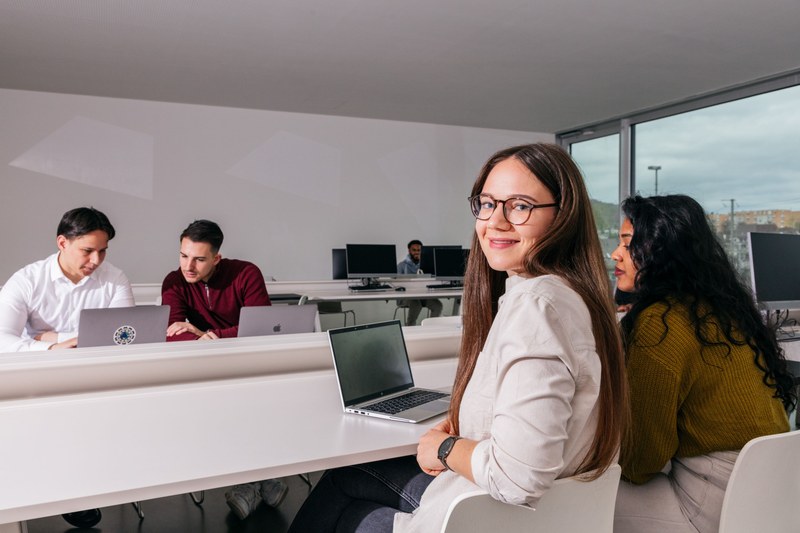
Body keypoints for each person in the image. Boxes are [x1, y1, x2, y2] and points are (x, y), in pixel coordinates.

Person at [288, 142, 628, 532]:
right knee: (348, 476)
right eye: (487, 203)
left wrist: (447, 449)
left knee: (347, 508)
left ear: (562, 216)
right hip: (542, 513)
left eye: (519, 206)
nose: (495, 221)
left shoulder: (537, 306)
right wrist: (462, 428)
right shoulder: (573, 296)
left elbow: (517, 477)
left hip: (497, 515)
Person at [611, 194, 795, 533]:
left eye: (627, 243)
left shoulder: (660, 321)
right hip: (773, 496)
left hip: (713, 501)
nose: (615, 254)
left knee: (578, 495)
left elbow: (641, 462)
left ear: (660, 251)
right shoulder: (724, 309)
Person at [0, 207, 134, 528]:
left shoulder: (114, 279)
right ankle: (66, 491)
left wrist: (52, 336)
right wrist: (51, 347)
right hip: (39, 383)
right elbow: (1, 340)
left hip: (96, 383)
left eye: (103, 251)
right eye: (88, 251)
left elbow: (127, 339)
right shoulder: (26, 280)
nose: (96, 261)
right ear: (62, 242)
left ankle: (75, 489)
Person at [160, 219, 286, 520]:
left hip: (249, 362)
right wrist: (207, 335)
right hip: (202, 367)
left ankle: (248, 482)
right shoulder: (174, 282)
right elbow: (173, 331)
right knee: (225, 404)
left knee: (251, 399)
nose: (188, 266)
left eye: (199, 259)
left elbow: (259, 326)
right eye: (183, 255)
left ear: (216, 258)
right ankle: (261, 479)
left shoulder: (245, 273)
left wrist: (205, 333)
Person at [396, 240, 443, 326]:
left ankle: (431, 327)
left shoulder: (427, 265)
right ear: (409, 251)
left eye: (419, 250)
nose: (416, 252)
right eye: (414, 250)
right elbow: (395, 281)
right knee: (416, 304)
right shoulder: (401, 265)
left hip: (423, 296)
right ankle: (410, 327)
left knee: (437, 305)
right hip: (406, 297)